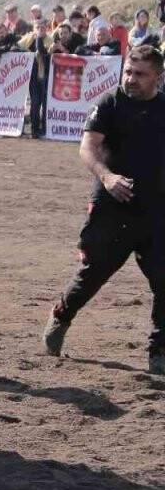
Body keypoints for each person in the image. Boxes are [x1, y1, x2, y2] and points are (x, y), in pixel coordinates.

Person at [42, 45, 165, 375]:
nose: (131, 78)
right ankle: (62, 315)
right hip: (113, 205)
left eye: (140, 74)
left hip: (156, 210)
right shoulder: (109, 104)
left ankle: (159, 353)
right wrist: (107, 177)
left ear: (158, 76)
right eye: (128, 71)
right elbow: (89, 146)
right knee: (93, 274)